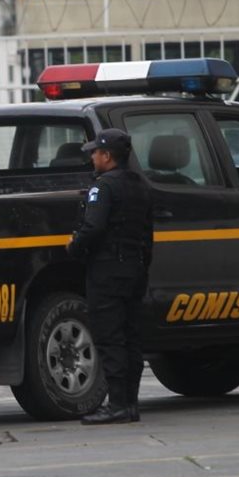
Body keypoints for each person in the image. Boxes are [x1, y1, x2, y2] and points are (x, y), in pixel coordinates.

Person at [66, 128, 153, 425]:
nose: (91, 157)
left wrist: (74, 248)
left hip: (107, 271)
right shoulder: (140, 184)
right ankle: (130, 403)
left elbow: (93, 228)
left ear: (107, 156)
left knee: (109, 337)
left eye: (95, 152)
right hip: (135, 269)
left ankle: (117, 404)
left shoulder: (103, 187)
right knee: (131, 338)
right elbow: (148, 234)